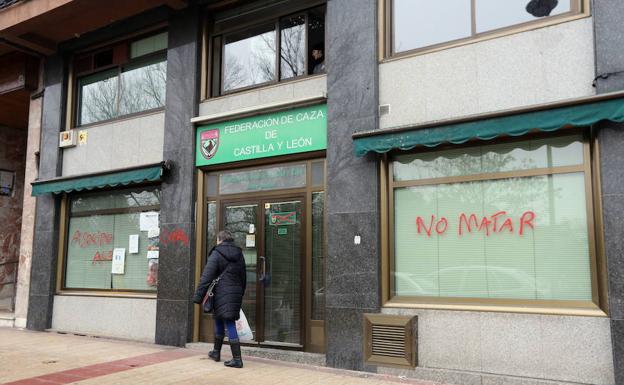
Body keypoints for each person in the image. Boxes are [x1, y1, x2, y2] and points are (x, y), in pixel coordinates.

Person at [193, 230, 247, 368]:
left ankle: (237, 359)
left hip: (221, 292)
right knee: (219, 318)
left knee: (228, 322)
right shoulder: (239, 254)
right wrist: (241, 292)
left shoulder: (217, 253)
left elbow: (206, 276)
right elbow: (243, 276)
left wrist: (198, 297)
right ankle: (216, 352)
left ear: (219, 240)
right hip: (235, 291)